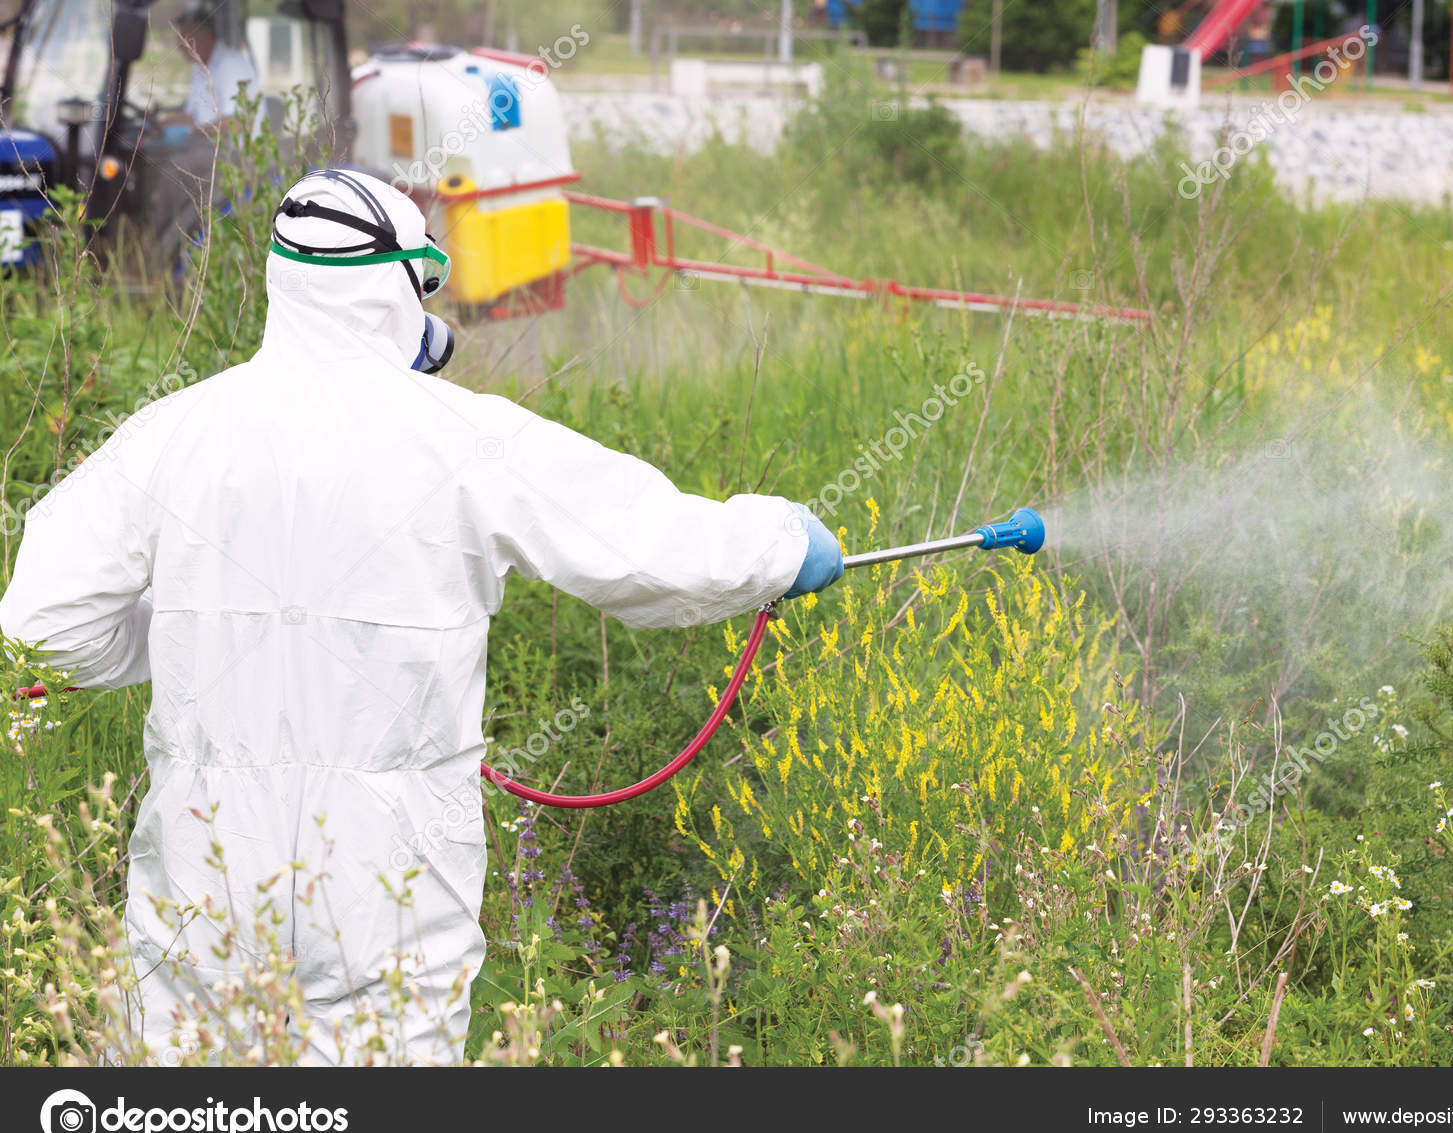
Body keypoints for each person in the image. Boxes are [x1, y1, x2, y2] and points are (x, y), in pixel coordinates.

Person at [0, 168, 843, 1065]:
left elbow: (43, 624)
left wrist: (182, 632)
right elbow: (651, 546)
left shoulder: (175, 434)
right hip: (386, 884)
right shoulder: (465, 438)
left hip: (204, 878)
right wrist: (783, 543)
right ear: (400, 284)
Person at [167, 6, 259, 129]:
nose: (179, 45)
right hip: (207, 143)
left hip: (232, 147)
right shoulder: (199, 67)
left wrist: (192, 132)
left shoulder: (230, 65)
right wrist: (161, 125)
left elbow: (236, 122)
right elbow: (192, 114)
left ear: (205, 36)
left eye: (184, 37)